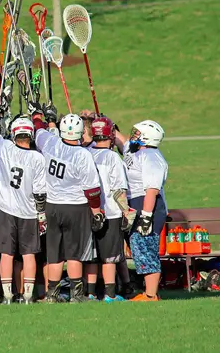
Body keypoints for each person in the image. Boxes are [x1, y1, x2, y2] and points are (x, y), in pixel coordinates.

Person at [30, 102, 103, 303]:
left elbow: (38, 130)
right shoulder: (83, 155)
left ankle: (51, 295)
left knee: (54, 254)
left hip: (52, 206)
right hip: (75, 207)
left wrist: (38, 115)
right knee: (73, 253)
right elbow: (92, 191)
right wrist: (97, 212)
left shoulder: (51, 143)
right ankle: (76, 295)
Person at [0, 113, 47, 305]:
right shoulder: (37, 158)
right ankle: (28, 296)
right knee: (29, 254)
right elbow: (40, 192)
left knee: (7, 254)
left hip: (6, 209)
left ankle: (7, 296)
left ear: (14, 134)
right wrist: (41, 214)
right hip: (29, 211)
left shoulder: (5, 147)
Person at [116, 120, 168, 302]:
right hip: (136, 203)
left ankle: (151, 295)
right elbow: (123, 142)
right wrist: (108, 125)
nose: (134, 135)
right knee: (138, 248)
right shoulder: (136, 150)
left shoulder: (152, 157)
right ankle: (148, 293)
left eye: (138, 133)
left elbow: (152, 191)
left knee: (146, 248)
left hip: (147, 204)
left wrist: (146, 217)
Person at [85, 116, 132, 302]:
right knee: (110, 257)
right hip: (110, 212)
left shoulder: (86, 153)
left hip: (90, 212)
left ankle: (90, 293)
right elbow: (119, 190)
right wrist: (126, 212)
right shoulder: (112, 157)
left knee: (92, 257)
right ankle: (110, 294)